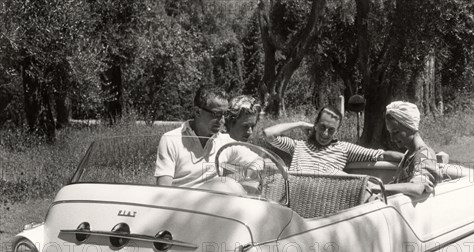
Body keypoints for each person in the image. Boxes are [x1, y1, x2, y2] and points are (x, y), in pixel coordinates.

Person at [154, 89, 260, 188]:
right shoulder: (172, 139)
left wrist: (247, 175)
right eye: (217, 114)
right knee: (227, 185)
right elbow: (163, 188)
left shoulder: (224, 141)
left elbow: (260, 161)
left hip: (212, 204)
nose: (222, 121)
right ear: (197, 112)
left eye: (225, 114)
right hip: (180, 205)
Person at [262, 105, 402, 175]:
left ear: (336, 131)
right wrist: (300, 123)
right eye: (322, 127)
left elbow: (381, 155)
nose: (325, 133)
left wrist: (413, 158)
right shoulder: (298, 146)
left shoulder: (344, 148)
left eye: (331, 130)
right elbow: (268, 133)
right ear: (315, 125)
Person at [383, 101, 441, 197]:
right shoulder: (409, 155)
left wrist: (379, 187)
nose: (392, 139)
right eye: (390, 133)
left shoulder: (424, 154)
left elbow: (418, 187)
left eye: (396, 132)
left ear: (410, 127)